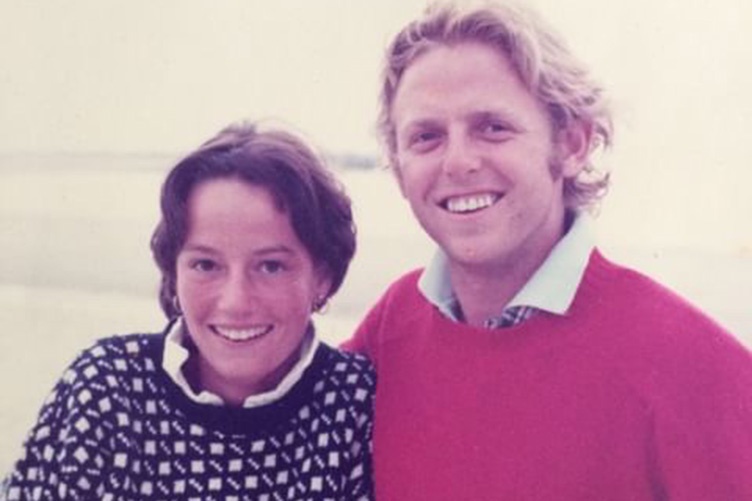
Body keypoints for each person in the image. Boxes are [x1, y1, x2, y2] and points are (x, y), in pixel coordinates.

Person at [343, 1, 752, 499]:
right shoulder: (392, 328)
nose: (458, 161)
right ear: (399, 167)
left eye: (493, 127)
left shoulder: (696, 366)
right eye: (427, 137)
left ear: (572, 144)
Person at [2, 122, 375, 500]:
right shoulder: (107, 388)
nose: (236, 302)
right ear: (173, 272)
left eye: (271, 266)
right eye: (206, 265)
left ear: (322, 277)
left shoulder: (355, 407)